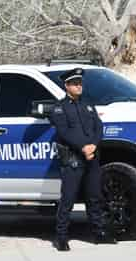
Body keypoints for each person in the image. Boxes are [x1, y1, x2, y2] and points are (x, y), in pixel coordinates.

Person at [49, 68, 117, 251]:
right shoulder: (59, 107)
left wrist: (93, 145)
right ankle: (61, 237)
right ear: (66, 86)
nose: (79, 86)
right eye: (75, 83)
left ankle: (99, 232)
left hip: (92, 157)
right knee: (68, 199)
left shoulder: (88, 104)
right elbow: (64, 132)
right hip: (73, 158)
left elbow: (98, 127)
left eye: (80, 83)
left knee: (94, 197)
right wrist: (83, 147)